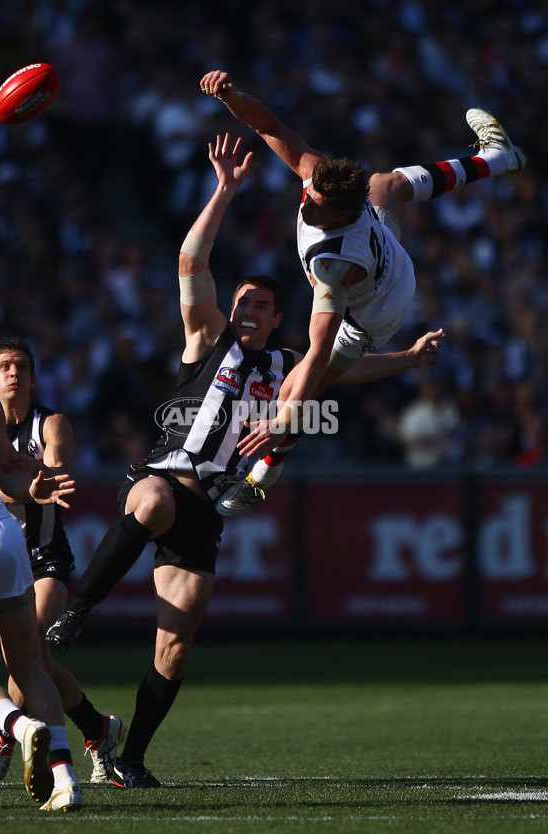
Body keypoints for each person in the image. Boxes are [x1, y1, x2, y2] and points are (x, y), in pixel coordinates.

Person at [45, 133, 446, 787]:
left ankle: (130, 758)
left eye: (259, 304)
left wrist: (407, 359)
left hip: (207, 512)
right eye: (241, 303)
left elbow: (348, 369)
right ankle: (79, 608)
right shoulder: (206, 340)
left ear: (279, 315)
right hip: (165, 480)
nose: (246, 309)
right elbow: (188, 260)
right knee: (152, 502)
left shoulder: (291, 365)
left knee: (174, 648)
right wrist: (225, 190)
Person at [200, 69, 526, 512]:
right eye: (310, 193)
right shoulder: (322, 180)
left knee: (296, 388)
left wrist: (283, 419)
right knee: (384, 184)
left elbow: (318, 351)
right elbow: (269, 125)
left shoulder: (334, 268)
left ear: (341, 214)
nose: (305, 201)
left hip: (372, 313)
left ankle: (263, 472)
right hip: (386, 254)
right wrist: (231, 96)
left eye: (316, 204)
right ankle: (499, 158)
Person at [0, 337, 125, 787]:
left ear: (35, 378)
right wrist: (16, 488)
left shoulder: (51, 423)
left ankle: (6, 737)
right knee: (28, 657)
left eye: (21, 365)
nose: (14, 372)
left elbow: (54, 480)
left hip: (44, 556)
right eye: (4, 366)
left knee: (31, 644)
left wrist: (1, 488)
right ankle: (97, 729)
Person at [0, 313, 82, 811]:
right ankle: (67, 781)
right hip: (3, 533)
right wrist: (32, 488)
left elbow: (9, 470)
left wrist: (34, 487)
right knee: (28, 661)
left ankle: (18, 728)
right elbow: (6, 470)